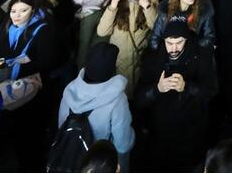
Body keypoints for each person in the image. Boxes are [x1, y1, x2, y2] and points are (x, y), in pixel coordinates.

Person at [134, 19, 219, 171]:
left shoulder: (200, 56)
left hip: (189, 136)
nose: (174, 48)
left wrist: (187, 87)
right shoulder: (153, 58)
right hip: (160, 136)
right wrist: (157, 89)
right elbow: (138, 99)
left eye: (179, 43)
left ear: (186, 39)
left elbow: (211, 92)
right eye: (169, 43)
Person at [58, 42, 135, 162]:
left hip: (70, 158)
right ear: (112, 69)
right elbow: (123, 145)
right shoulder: (117, 100)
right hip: (97, 162)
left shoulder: (70, 90)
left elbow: (61, 127)